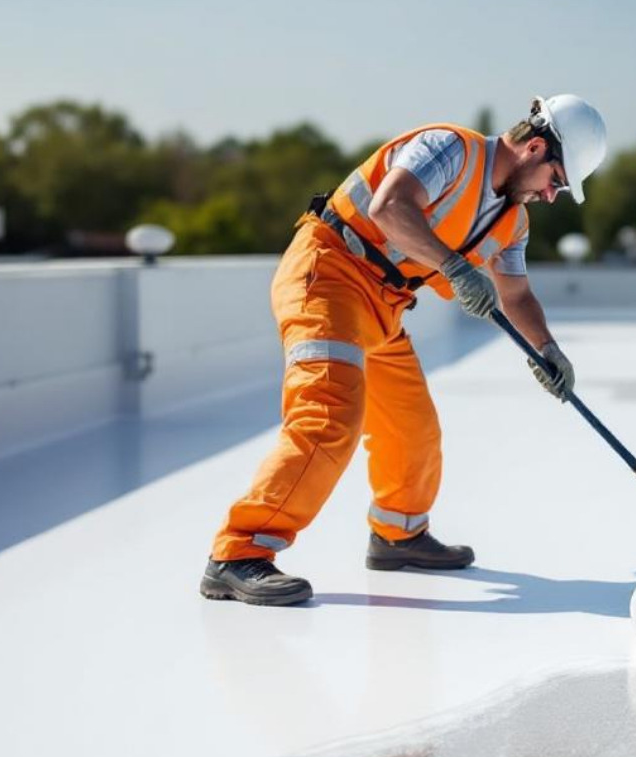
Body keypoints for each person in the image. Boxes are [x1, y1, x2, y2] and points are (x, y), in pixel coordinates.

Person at [200, 95, 607, 606]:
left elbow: (517, 294)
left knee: (412, 427)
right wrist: (455, 268)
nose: (552, 195)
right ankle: (236, 554)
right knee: (329, 414)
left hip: (384, 305)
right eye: (558, 180)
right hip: (328, 272)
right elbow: (389, 207)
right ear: (535, 147)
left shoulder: (513, 223)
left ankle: (398, 536)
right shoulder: (451, 151)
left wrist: (546, 351)